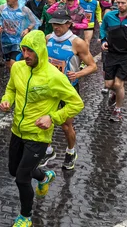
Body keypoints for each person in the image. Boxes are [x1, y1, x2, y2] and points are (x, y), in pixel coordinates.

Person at [0, 30, 85, 227]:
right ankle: (45, 176)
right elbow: (11, 88)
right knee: (14, 170)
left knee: (21, 178)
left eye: (30, 51)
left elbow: (76, 103)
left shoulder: (54, 76)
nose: (26, 55)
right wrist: (6, 100)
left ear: (40, 51)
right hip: (17, 130)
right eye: (23, 50)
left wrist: (52, 117)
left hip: (38, 136)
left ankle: (26, 217)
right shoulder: (18, 68)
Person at [43, 9, 97, 170]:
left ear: (68, 24)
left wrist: (78, 74)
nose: (56, 27)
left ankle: (70, 151)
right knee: (44, 119)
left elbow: (93, 66)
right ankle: (48, 150)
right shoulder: (48, 38)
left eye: (59, 24)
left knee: (66, 126)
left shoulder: (77, 42)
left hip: (68, 89)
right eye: (53, 24)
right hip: (50, 88)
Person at [0, 0, 37, 69]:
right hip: (5, 41)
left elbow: (34, 22)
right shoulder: (1, 8)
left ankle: (18, 80)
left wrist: (28, 29)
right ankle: (12, 79)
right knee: (8, 64)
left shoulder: (24, 10)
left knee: (13, 64)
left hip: (18, 41)